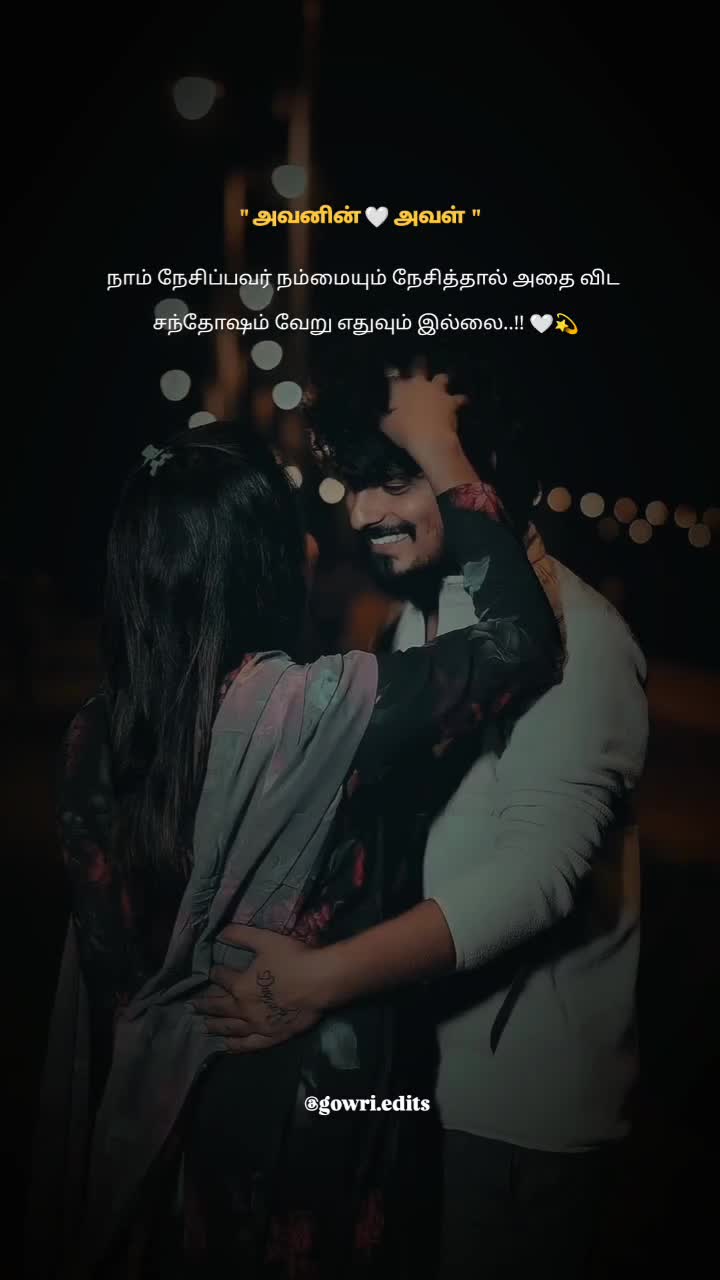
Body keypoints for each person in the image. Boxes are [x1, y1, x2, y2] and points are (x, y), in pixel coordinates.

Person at [25, 372, 561, 1280]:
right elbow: (522, 641)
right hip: (302, 1124)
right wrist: (441, 448)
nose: (317, 540)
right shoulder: (316, 710)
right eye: (289, 531)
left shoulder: (90, 737)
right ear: (259, 564)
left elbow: (114, 964)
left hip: (148, 1123)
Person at [203, 352, 649, 1278]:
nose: (364, 512)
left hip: (515, 1118)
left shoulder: (587, 639)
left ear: (469, 470)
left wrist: (317, 982)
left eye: (396, 479)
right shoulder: (419, 616)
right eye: (355, 482)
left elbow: (538, 878)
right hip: (413, 1088)